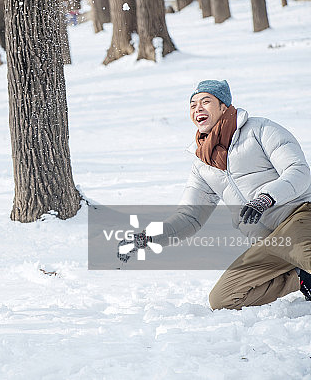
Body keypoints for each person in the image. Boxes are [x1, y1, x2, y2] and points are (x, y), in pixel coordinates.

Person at [120, 79, 311, 310]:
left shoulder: (260, 130)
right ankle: (299, 276)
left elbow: (299, 171)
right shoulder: (203, 164)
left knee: (306, 252)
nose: (197, 108)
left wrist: (266, 197)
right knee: (223, 299)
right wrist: (149, 237)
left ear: (224, 107)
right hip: (270, 243)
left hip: (299, 216)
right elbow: (189, 217)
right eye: (192, 105)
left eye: (205, 101)